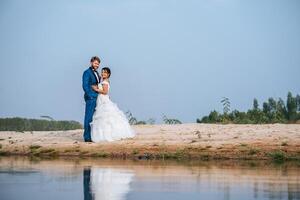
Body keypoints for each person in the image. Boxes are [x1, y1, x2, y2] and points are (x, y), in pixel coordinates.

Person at [90, 67, 135, 142]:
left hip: (103, 99)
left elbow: (105, 92)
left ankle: (108, 135)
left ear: (108, 74)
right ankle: (103, 135)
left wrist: (96, 89)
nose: (103, 73)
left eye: (105, 72)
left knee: (105, 116)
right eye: (102, 72)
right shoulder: (104, 81)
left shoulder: (105, 82)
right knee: (103, 117)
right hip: (101, 99)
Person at [82, 56, 101, 142]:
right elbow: (85, 85)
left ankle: (93, 135)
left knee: (94, 117)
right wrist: (90, 95)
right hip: (91, 97)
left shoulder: (97, 73)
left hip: (97, 97)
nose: (97, 65)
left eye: (98, 64)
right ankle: (87, 137)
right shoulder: (87, 72)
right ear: (91, 62)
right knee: (88, 117)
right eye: (95, 63)